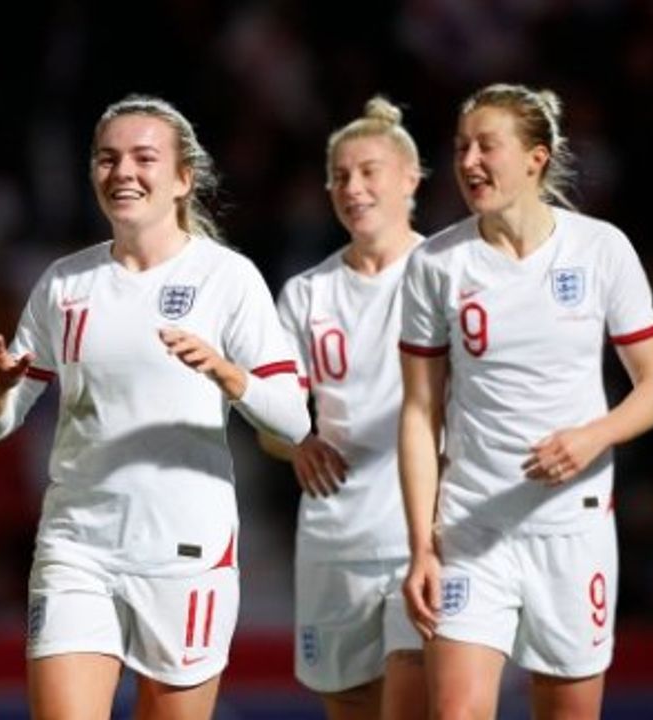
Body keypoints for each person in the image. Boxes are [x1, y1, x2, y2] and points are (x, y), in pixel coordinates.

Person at [0, 94, 310, 719]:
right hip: (77, 546)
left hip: (186, 549)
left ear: (183, 178)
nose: (123, 171)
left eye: (144, 158)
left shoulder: (227, 279)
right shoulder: (64, 283)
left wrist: (229, 374)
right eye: (108, 158)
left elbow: (294, 419)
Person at [397, 83, 653, 719]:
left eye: (486, 146)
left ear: (535, 158)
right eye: (461, 147)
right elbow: (418, 411)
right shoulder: (436, 264)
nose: (469, 162)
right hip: (472, 527)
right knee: (456, 712)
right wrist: (420, 544)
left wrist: (594, 435)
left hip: (570, 526)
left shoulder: (601, 249)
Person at [258, 96, 427, 720]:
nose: (353, 188)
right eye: (340, 176)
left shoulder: (450, 275)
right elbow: (273, 422)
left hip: (426, 537)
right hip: (335, 538)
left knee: (414, 702)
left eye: (368, 171)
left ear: (410, 178)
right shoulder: (308, 294)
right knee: (351, 706)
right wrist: (295, 443)